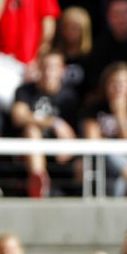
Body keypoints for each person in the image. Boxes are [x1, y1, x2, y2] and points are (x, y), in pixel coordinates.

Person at [10, 49, 79, 197]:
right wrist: (54, 122)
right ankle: (39, 179)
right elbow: (18, 115)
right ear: (39, 68)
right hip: (28, 153)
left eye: (54, 67)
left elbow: (73, 131)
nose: (49, 72)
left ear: (62, 70)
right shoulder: (25, 91)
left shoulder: (70, 97)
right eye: (45, 66)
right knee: (31, 129)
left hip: (60, 155)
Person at [80, 61, 127, 197]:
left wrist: (121, 115)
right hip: (99, 161)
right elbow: (93, 142)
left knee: (121, 167)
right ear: (105, 84)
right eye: (114, 82)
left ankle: (118, 201)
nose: (119, 88)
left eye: (124, 83)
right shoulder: (93, 107)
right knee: (111, 152)